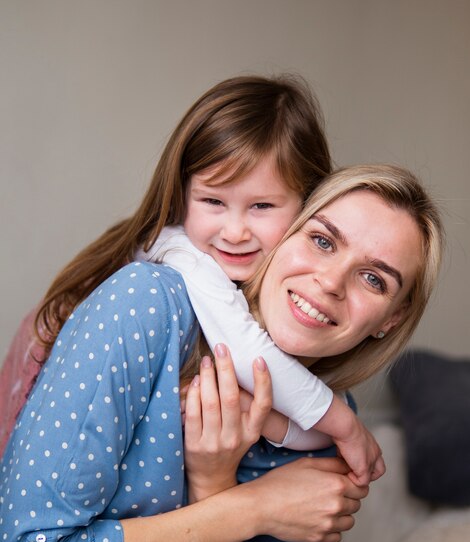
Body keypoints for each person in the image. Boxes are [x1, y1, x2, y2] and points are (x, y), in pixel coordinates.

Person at [0, 163, 443, 542]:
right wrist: (255, 508)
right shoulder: (147, 305)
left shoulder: (324, 431)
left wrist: (213, 482)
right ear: (286, 232)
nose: (331, 282)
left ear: (392, 318)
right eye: (323, 240)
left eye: (374, 279)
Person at [0, 75, 382, 486]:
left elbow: (296, 420)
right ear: (181, 193)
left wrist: (267, 414)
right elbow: (251, 353)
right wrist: (344, 425)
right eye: (213, 201)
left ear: (307, 204)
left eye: (262, 206)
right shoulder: (177, 254)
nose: (235, 231)